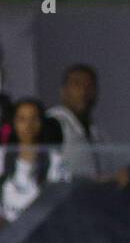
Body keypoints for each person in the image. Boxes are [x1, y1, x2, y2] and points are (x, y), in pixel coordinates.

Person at [0, 98, 69, 226]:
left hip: (41, 230)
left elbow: (60, 199)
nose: (28, 125)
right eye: (22, 119)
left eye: (34, 119)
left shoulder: (55, 159)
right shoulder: (2, 156)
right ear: (14, 123)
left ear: (42, 123)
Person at [47, 64, 114, 181]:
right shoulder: (53, 123)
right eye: (77, 85)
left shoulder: (98, 132)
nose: (83, 91)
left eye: (89, 86)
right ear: (64, 91)